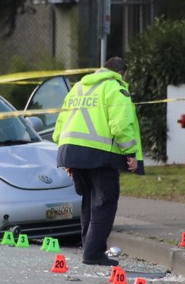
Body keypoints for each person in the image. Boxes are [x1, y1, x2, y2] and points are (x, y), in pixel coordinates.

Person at [52, 57, 145, 265]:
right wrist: (130, 152)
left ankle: (90, 248)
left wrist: (67, 155)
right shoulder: (115, 87)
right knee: (105, 202)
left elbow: (61, 123)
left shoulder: (78, 88)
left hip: (71, 150)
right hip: (100, 153)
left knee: (89, 200)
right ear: (123, 73)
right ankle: (93, 253)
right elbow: (120, 124)